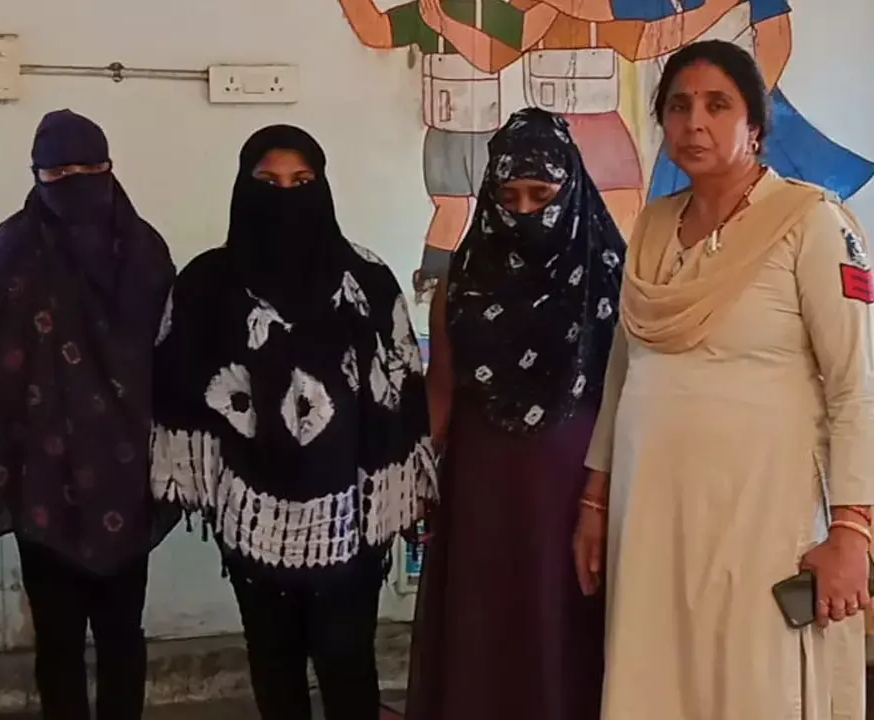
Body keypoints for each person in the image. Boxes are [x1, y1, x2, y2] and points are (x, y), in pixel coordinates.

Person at [573, 39, 874, 719]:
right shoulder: (651, 226)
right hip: (653, 514)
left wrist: (854, 530)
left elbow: (854, 385)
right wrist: (595, 501)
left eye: (717, 105)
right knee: (656, 678)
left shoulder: (810, 221)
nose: (695, 123)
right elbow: (624, 372)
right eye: (679, 106)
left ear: (755, 125)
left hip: (763, 515)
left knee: (754, 682)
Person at [149, 125, 437, 720]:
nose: (286, 196)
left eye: (302, 182)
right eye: (269, 182)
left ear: (323, 187)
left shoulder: (366, 280)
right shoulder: (206, 284)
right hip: (253, 517)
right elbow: (178, 388)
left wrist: (402, 489)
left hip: (352, 517)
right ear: (243, 187)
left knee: (346, 661)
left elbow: (402, 383)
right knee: (273, 661)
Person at [405, 107, 624, 720]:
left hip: (577, 484)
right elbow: (442, 387)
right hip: (483, 483)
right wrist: (417, 477)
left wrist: (606, 496)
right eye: (509, 196)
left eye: (541, 195)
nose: (524, 211)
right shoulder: (464, 277)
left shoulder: (609, 273)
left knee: (563, 618)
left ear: (570, 188)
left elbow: (628, 395)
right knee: (485, 621)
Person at [0, 109, 177, 720]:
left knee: (121, 631)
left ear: (110, 168)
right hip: (41, 477)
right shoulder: (11, 250)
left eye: (89, 168)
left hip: (127, 472)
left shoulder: (143, 251)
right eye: (58, 173)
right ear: (35, 175)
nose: (74, 182)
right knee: (56, 637)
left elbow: (174, 357)